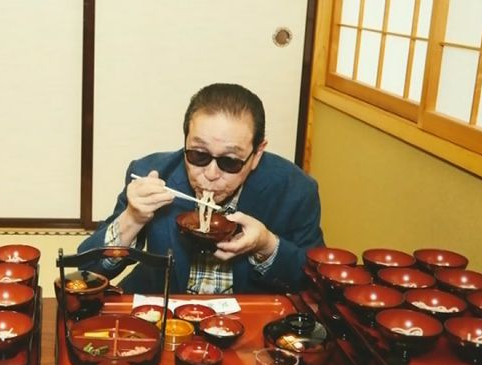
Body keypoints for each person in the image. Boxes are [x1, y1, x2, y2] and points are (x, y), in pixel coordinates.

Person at [79, 83, 324, 294]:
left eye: (230, 161)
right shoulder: (153, 173)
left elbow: (315, 283)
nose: (211, 174)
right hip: (164, 308)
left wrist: (267, 245)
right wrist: (132, 218)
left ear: (257, 153)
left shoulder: (295, 190)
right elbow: (88, 272)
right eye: (198, 154)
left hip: (247, 317)